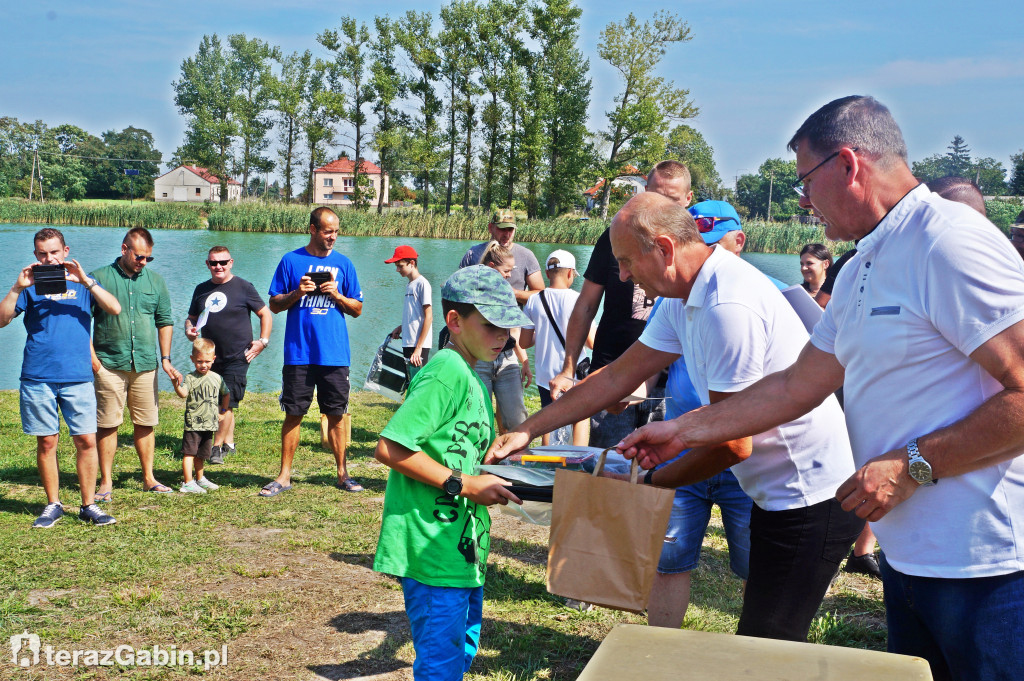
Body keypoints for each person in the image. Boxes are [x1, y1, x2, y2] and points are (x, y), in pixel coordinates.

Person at [619, 96, 1024, 681]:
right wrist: (683, 430)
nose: (802, 201)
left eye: (806, 180)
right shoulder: (863, 266)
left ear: (849, 165)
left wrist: (913, 465)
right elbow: (794, 385)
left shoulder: (948, 241)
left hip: (990, 570)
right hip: (912, 562)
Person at [490, 192, 863, 641]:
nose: (622, 275)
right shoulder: (681, 295)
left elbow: (731, 441)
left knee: (770, 642)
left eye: (627, 262)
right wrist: (528, 430)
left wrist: (644, 486)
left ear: (665, 249)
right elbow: (616, 378)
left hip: (809, 494)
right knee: (764, 637)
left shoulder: (728, 306)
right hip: (773, 490)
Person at [373, 265, 528, 681]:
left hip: (462, 550)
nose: (504, 337)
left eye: (508, 328)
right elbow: (390, 447)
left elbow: (451, 449)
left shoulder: (474, 378)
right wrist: (464, 484)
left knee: (459, 655)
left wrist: (488, 459)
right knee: (440, 668)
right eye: (492, 325)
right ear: (455, 322)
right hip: (431, 551)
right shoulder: (446, 371)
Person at [642, 200, 756, 629]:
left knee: (756, 570)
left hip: (747, 458)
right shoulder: (673, 298)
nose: (704, 258)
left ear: (738, 241)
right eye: (697, 245)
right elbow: (644, 367)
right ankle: (658, 657)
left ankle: (755, 660)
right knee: (668, 562)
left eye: (715, 245)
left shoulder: (760, 296)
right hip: (679, 447)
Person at [548, 162, 688, 447]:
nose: (661, 209)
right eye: (656, 197)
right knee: (607, 473)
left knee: (662, 481)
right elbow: (586, 306)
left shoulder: (694, 248)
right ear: (645, 192)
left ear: (688, 200)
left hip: (671, 389)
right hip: (613, 376)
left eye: (672, 201)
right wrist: (568, 368)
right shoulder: (616, 238)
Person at [0, 228, 121, 527]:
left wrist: (87, 281)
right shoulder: (28, 287)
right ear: (35, 255)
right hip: (38, 375)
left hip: (77, 375)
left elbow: (114, 308)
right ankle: (53, 503)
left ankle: (88, 505)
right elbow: (1, 320)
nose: (49, 258)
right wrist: (16, 288)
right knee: (47, 442)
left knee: (86, 441)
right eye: (42, 253)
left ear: (66, 251)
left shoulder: (83, 284)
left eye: (54, 252)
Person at [261, 207, 364, 497]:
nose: (333, 237)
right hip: (299, 354)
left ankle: (343, 474)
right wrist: (298, 292)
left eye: (336, 231)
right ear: (312, 229)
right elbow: (274, 304)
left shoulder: (344, 265)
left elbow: (357, 309)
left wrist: (337, 295)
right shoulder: (290, 261)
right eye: (327, 231)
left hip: (334, 354)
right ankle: (284, 476)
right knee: (294, 414)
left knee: (336, 415)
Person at [91, 227, 182, 498]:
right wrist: (93, 360)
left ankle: (149, 478)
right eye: (139, 257)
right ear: (124, 249)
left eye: (148, 259)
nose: (143, 262)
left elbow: (164, 322)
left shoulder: (156, 282)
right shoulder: (99, 278)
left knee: (145, 422)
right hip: (108, 363)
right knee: (108, 423)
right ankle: (106, 482)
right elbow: (83, 319)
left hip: (144, 364)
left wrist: (165, 358)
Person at [184, 246, 272, 464]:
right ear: (207, 264)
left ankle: (215, 449)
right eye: (214, 263)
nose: (218, 267)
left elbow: (265, 313)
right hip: (210, 358)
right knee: (217, 400)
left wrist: (262, 341)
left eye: (223, 262)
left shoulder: (244, 287)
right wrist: (189, 329)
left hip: (238, 356)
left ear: (231, 262)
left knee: (226, 403)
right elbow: (191, 317)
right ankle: (229, 443)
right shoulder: (201, 289)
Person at [461, 236, 533, 432]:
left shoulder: (508, 293)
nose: (510, 276)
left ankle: (516, 460)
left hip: (507, 360)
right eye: (506, 271)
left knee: (517, 418)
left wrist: (524, 361)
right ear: (491, 267)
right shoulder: (472, 294)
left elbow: (514, 331)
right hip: (481, 360)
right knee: (479, 418)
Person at [520, 250, 588, 446]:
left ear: (548, 274)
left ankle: (547, 466)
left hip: (545, 374)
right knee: (579, 418)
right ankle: (578, 464)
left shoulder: (533, 300)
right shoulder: (578, 299)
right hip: (572, 372)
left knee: (548, 420)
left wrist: (542, 332)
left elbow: (524, 342)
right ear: (570, 274)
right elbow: (591, 341)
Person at [173, 339, 229, 494]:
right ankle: (187, 482)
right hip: (194, 424)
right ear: (192, 359)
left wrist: (223, 412)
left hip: (209, 423)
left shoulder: (217, 378)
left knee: (202, 454)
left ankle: (200, 478)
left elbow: (226, 393)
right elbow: (183, 394)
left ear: (213, 359)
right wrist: (175, 384)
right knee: (189, 453)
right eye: (199, 362)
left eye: (207, 361)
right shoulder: (191, 378)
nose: (203, 365)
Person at [458, 209, 543, 305]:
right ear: (490, 228)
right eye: (502, 229)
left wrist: (514, 293)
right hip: (479, 319)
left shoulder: (526, 256)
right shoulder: (472, 254)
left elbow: (541, 296)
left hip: (512, 319)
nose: (507, 235)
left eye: (510, 229)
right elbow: (457, 290)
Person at [385, 245, 432, 381]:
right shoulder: (410, 284)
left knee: (419, 381)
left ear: (412, 263)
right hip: (408, 340)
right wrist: (400, 328)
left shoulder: (422, 284)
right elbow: (414, 315)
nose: (397, 269)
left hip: (418, 343)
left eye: (400, 266)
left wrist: (418, 348)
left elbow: (428, 317)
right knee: (410, 379)